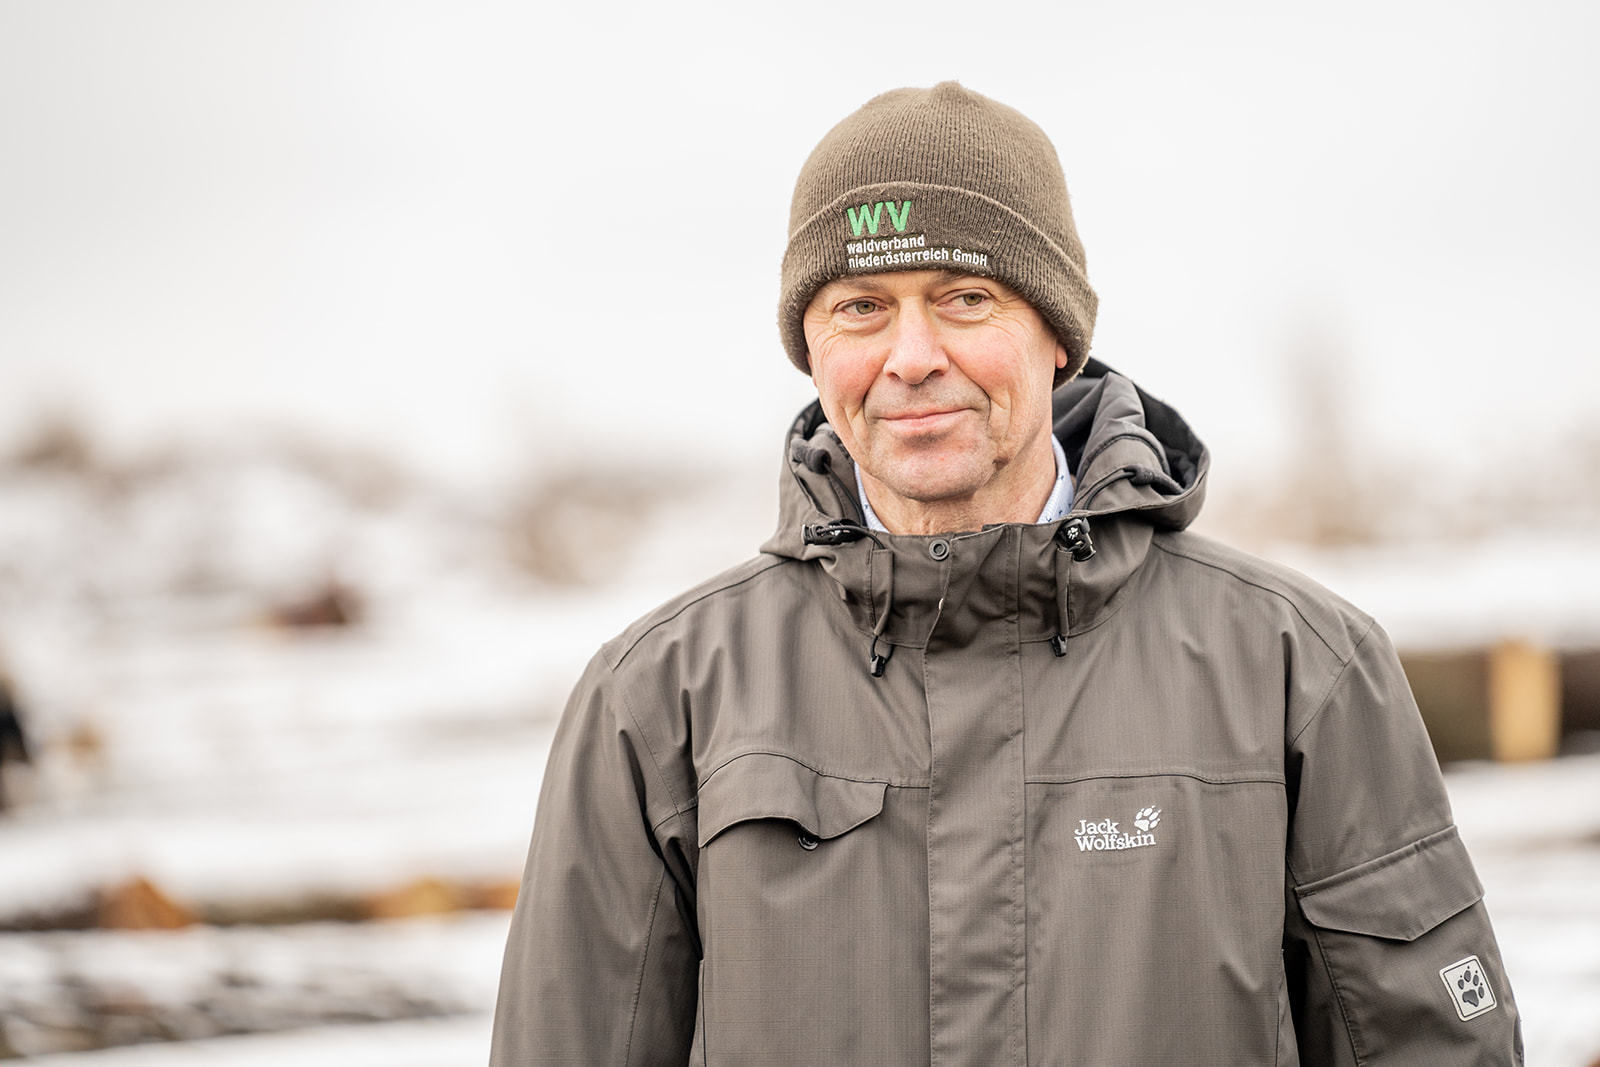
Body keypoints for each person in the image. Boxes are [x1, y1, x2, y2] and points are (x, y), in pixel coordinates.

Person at [491, 82, 1521, 1064]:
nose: (910, 355)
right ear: (808, 344)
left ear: (1058, 335)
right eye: (859, 307)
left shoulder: (1304, 669)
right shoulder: (658, 701)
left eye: (964, 296)